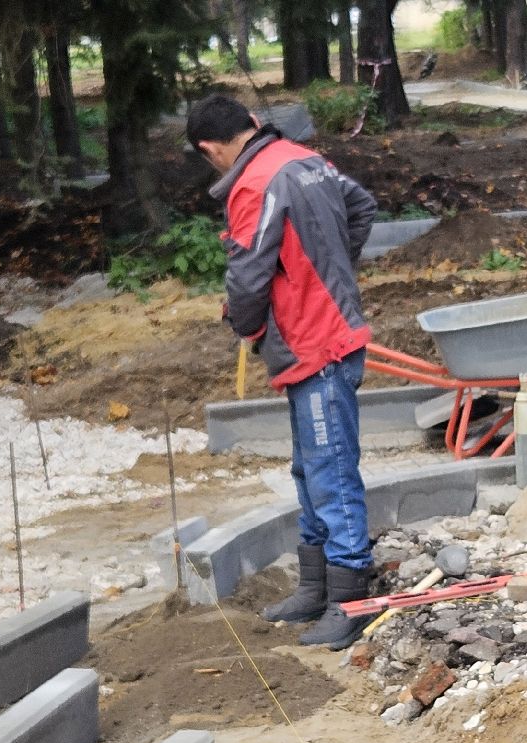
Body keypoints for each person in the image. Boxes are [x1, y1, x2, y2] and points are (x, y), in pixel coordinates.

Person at [188, 94, 379, 649]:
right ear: (251, 122)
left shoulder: (254, 184)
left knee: (330, 471)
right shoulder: (306, 159)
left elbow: (247, 279)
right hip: (322, 336)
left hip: (316, 341)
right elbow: (361, 207)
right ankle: (316, 588)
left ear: (210, 148)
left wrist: (250, 326)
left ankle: (350, 600)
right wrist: (330, 270)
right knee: (309, 466)